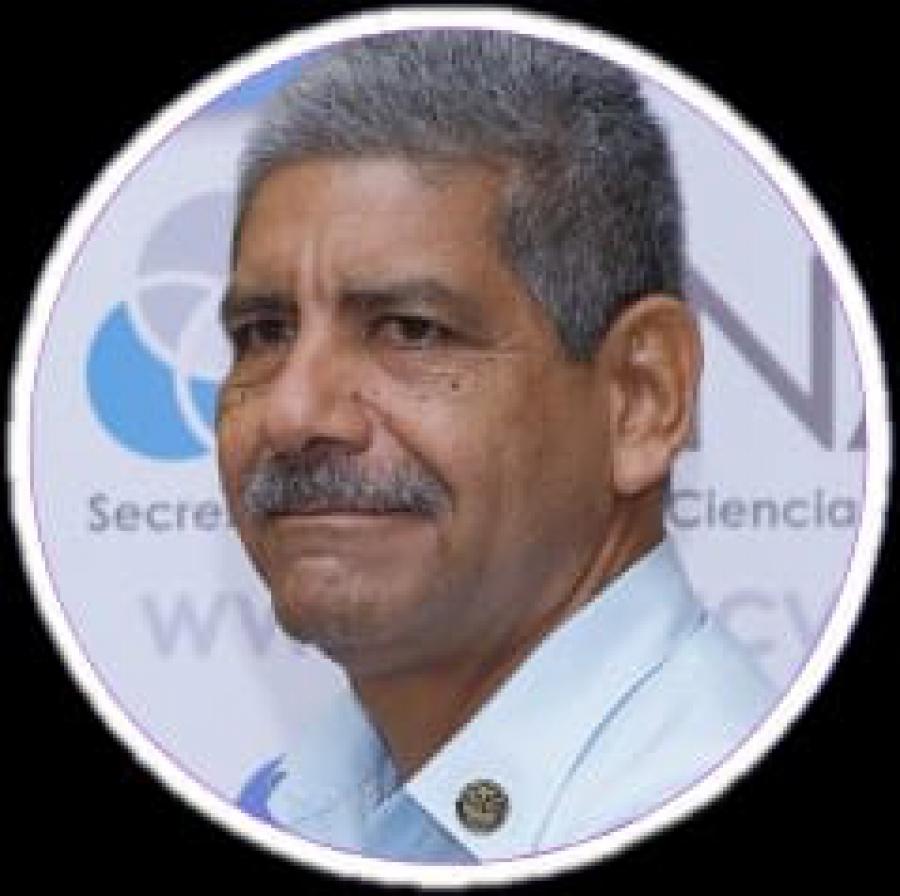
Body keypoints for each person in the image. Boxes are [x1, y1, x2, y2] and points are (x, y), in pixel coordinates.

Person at [215, 29, 774, 863]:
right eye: (264, 332)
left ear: (641, 397)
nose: (292, 414)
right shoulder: (295, 801)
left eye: (411, 330)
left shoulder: (684, 782)